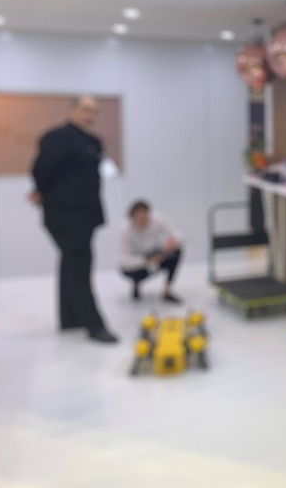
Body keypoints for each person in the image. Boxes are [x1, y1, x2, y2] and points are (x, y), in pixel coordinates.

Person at [29, 95, 118, 344]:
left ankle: (70, 318)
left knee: (70, 264)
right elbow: (41, 170)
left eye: (94, 111)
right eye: (85, 110)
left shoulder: (92, 141)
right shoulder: (57, 138)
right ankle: (94, 325)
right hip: (64, 215)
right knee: (80, 267)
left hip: (86, 214)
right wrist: (40, 192)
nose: (90, 115)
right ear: (72, 110)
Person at [118, 199, 183, 304]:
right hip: (137, 261)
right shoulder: (125, 230)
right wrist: (146, 261)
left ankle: (167, 291)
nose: (144, 221)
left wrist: (173, 241)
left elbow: (178, 235)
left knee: (176, 252)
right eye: (140, 218)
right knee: (130, 270)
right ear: (132, 218)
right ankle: (136, 283)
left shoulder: (157, 219)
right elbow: (123, 261)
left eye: (146, 217)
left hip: (155, 252)